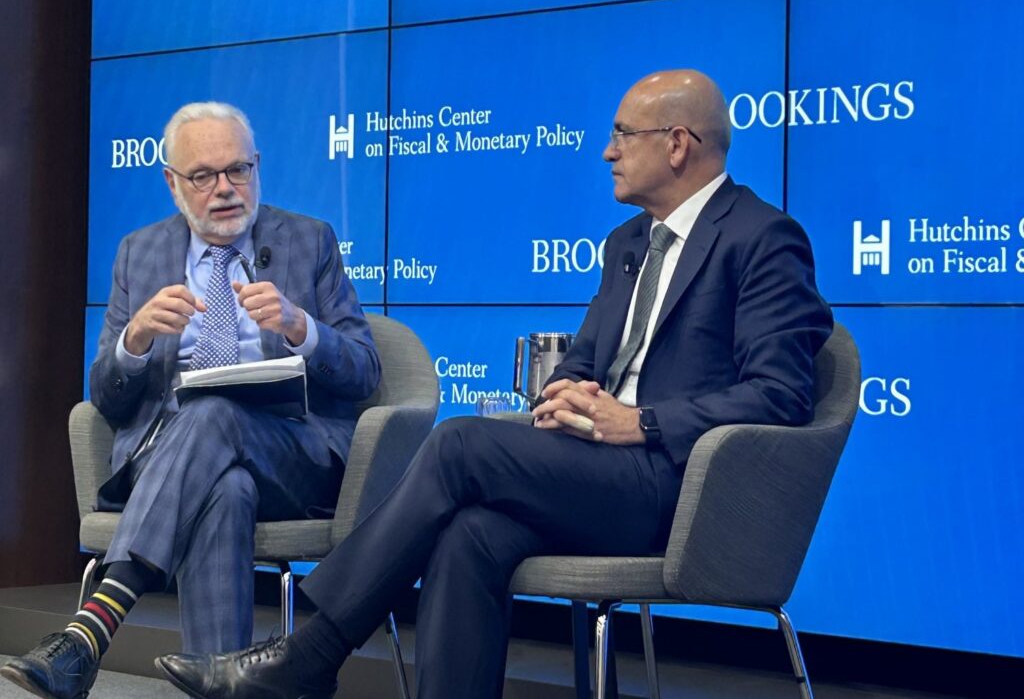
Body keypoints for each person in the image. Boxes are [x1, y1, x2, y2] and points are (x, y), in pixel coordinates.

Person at [153, 68, 833, 699]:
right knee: (470, 533)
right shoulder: (628, 244)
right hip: (595, 473)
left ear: (678, 143)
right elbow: (584, 361)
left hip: (677, 488)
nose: (608, 152)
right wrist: (565, 394)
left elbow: (780, 394)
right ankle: (317, 663)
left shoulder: (762, 238)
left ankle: (311, 653)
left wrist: (641, 421)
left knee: (458, 444)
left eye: (624, 134)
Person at [0, 102, 380, 699]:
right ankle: (224, 683)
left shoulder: (310, 241)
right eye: (203, 175)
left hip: (292, 455)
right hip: (170, 458)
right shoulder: (140, 252)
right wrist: (134, 339)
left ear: (257, 167)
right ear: (172, 183)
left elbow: (365, 371)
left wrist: (300, 326)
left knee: (215, 412)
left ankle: (93, 626)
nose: (225, 189)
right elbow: (105, 397)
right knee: (226, 487)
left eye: (238, 170)